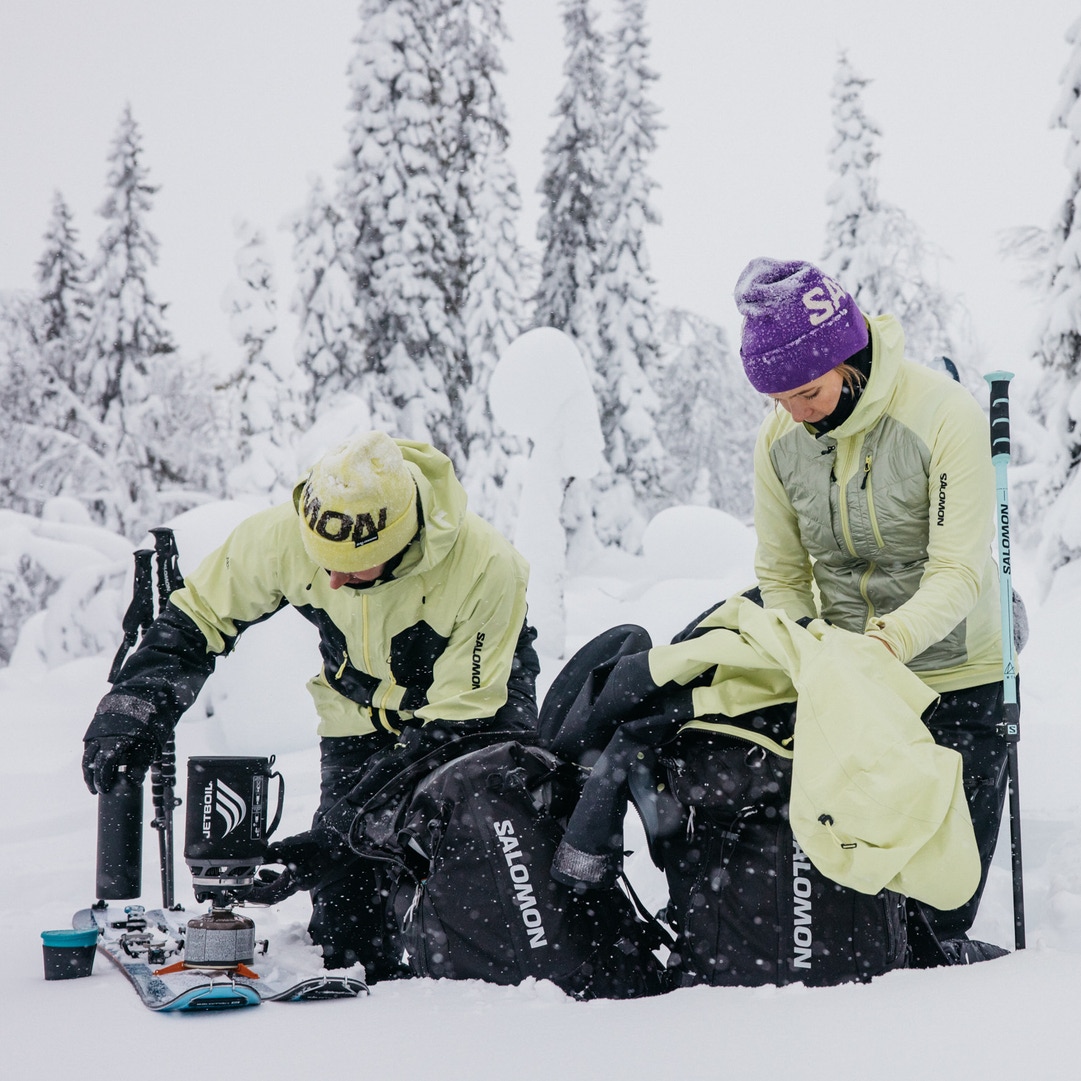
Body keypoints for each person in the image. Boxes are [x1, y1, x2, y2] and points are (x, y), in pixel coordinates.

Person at [82, 431, 540, 981]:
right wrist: (132, 707)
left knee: (472, 891)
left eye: (354, 568)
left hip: (473, 715)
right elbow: (197, 618)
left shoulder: (487, 567)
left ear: (400, 544)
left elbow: (450, 743)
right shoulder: (287, 536)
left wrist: (332, 839)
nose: (333, 580)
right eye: (324, 564)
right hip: (357, 707)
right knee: (348, 933)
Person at [733, 257, 1011, 949]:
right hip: (851, 679)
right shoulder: (778, 442)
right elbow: (780, 569)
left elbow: (956, 568)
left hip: (955, 667)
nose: (794, 412)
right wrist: (808, 644)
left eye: (807, 391)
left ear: (846, 359)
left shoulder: (940, 413)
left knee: (945, 881)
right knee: (863, 872)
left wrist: (885, 643)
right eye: (778, 399)